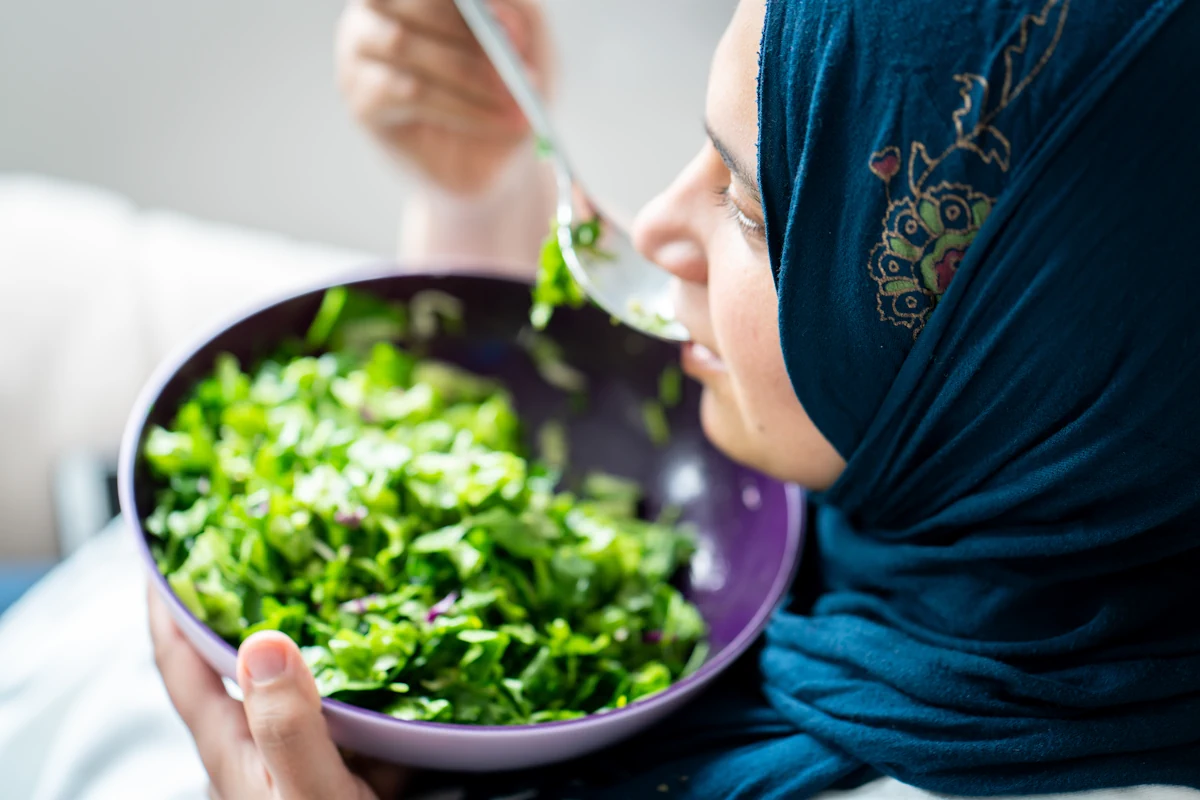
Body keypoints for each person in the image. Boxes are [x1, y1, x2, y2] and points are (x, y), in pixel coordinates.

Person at [148, 0, 1200, 796]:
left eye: (747, 202)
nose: (653, 223)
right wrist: (475, 191)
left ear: (1017, 348)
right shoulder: (933, 496)